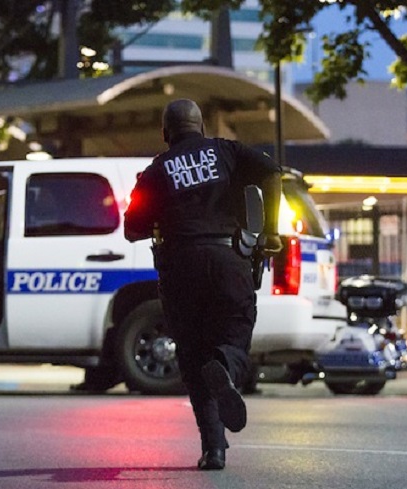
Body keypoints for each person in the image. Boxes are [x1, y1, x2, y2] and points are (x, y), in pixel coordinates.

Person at [123, 98, 282, 471]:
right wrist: (271, 230)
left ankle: (214, 450)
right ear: (202, 128)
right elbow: (271, 172)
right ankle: (225, 365)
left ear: (166, 133)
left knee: (193, 357)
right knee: (235, 335)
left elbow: (132, 228)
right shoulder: (226, 151)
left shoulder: (156, 171)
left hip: (181, 269)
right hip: (229, 261)